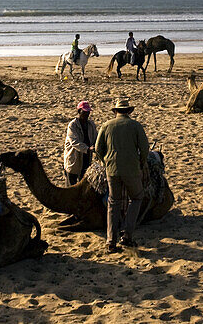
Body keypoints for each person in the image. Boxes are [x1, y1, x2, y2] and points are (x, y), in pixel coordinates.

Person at [93, 97, 150, 252]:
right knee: (137, 197)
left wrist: (106, 162)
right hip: (131, 169)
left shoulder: (107, 125)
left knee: (113, 202)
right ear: (129, 111)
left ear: (116, 111)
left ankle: (111, 241)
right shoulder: (135, 126)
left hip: (112, 169)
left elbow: (98, 149)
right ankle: (127, 235)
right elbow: (145, 148)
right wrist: (140, 162)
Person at [63, 100, 97, 185]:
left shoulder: (91, 125)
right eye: (84, 112)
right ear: (79, 111)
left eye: (88, 112)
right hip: (74, 158)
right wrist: (88, 149)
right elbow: (74, 142)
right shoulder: (73, 125)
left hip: (86, 158)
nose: (87, 114)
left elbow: (96, 138)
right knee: (71, 186)